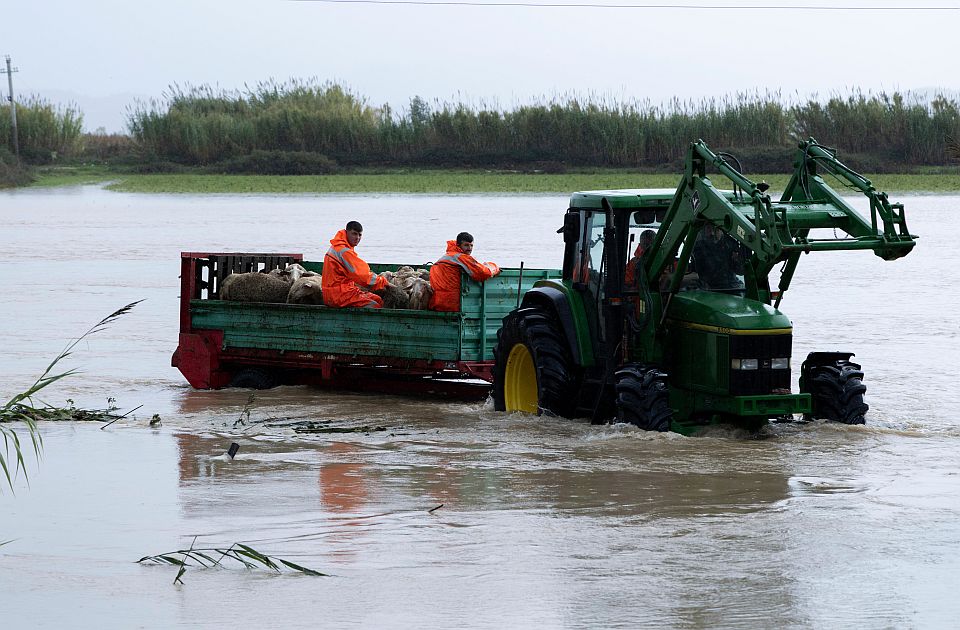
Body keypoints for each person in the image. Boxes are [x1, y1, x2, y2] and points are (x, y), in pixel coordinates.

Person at [322, 220, 390, 308]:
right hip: (338, 295)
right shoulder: (344, 251)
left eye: (360, 235)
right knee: (375, 304)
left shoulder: (338, 246)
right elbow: (363, 277)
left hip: (337, 292)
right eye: (354, 234)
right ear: (346, 233)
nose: (357, 237)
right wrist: (384, 283)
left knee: (378, 299)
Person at [429, 232, 501, 312]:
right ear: (458, 245)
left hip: (437, 303)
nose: (469, 248)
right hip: (453, 304)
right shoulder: (461, 257)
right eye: (466, 245)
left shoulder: (446, 257)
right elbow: (484, 273)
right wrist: (494, 267)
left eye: (471, 245)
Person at [691, 224, 747, 292]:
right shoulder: (698, 246)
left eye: (716, 229)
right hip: (708, 288)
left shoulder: (730, 243)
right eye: (709, 228)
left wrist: (737, 261)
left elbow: (741, 271)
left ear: (721, 229)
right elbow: (695, 272)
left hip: (731, 286)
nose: (712, 233)